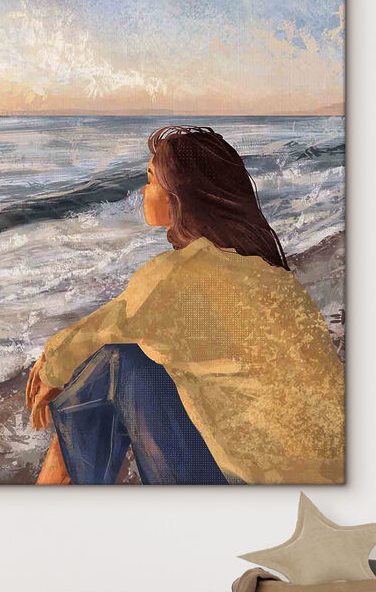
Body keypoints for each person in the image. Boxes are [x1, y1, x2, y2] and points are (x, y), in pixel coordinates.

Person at [24, 125, 344, 485]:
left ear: (179, 194)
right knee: (142, 360)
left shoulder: (177, 276)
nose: (143, 191)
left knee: (118, 364)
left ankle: (51, 499)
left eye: (150, 180)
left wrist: (51, 370)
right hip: (330, 484)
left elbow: (98, 332)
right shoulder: (276, 279)